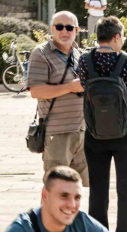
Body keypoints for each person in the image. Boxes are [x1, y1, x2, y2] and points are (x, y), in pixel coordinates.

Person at [76, 16, 127, 232]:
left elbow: (83, 87)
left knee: (98, 190)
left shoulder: (85, 60)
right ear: (116, 37)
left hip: (95, 132)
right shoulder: (125, 60)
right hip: (126, 132)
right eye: (122, 36)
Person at [27, 11, 86, 184]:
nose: (64, 31)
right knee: (57, 188)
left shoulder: (79, 54)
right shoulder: (41, 53)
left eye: (69, 27)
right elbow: (36, 91)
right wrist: (70, 87)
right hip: (57, 134)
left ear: (76, 30)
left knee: (82, 188)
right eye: (59, 27)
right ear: (52, 29)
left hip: (83, 133)